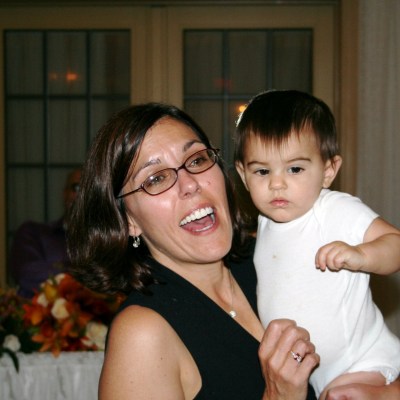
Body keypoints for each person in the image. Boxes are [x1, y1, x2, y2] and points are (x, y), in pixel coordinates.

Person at [67, 102, 321, 400]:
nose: (189, 184)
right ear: (127, 221)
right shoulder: (142, 334)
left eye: (197, 159)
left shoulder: (273, 258)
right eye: (156, 178)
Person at [234, 89, 400, 399]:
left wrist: (361, 254)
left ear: (328, 171)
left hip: (360, 361)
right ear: (243, 175)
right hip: (313, 375)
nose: (277, 183)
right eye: (262, 171)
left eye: (295, 169)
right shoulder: (265, 223)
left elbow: (396, 243)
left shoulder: (335, 209)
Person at [10, 168, 81, 298]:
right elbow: (27, 275)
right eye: (77, 187)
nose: (83, 195)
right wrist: (82, 275)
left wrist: (62, 269)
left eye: (92, 190)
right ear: (65, 193)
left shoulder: (110, 242)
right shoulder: (33, 233)